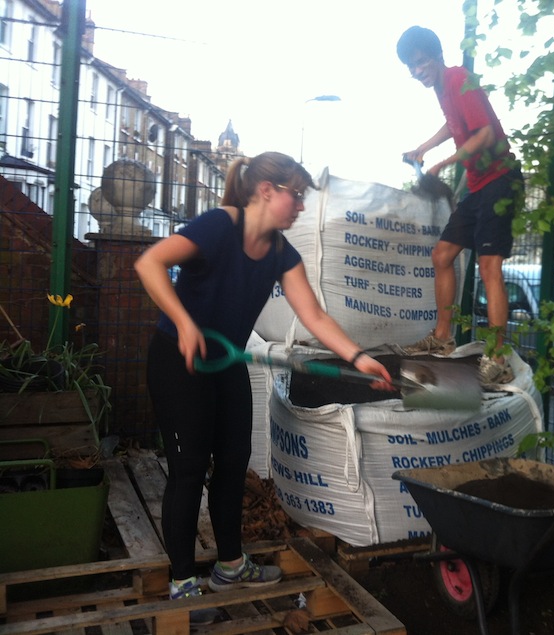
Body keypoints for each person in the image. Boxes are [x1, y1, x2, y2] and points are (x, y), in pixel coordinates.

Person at [135, 151, 392, 623]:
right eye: (296, 196)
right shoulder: (219, 226)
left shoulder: (280, 252)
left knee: (235, 462)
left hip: (227, 361)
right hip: (180, 359)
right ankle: (182, 584)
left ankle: (230, 566)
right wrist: (184, 322)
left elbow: (312, 315)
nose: (300, 206)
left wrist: (358, 358)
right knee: (189, 469)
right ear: (267, 191)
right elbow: (150, 263)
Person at [396, 25, 524, 385]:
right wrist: (424, 148)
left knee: (489, 267)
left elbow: (483, 133)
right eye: (411, 67)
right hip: (480, 186)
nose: (417, 71)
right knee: (441, 255)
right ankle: (441, 338)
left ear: (436, 56)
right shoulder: (442, 89)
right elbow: (454, 125)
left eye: (421, 63)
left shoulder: (457, 78)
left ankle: (497, 357)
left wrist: (446, 163)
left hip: (501, 180)